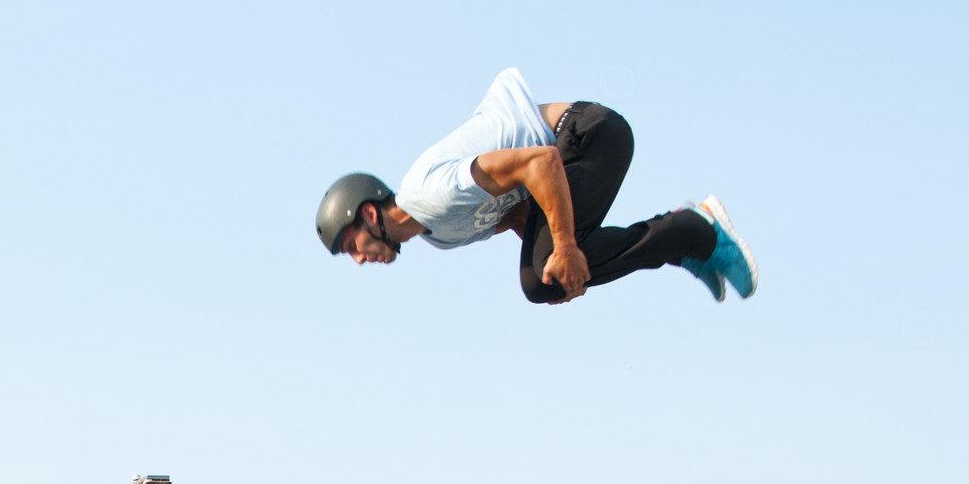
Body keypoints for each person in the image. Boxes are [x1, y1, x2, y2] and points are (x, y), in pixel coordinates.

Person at [315, 68, 755, 305]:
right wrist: (563, 269)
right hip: (566, 160)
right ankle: (678, 241)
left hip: (589, 134)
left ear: (369, 215)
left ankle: (695, 231)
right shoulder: (441, 236)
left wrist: (563, 247)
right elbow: (518, 213)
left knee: (549, 266)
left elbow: (540, 162)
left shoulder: (430, 195)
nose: (357, 260)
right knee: (542, 279)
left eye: (350, 245)